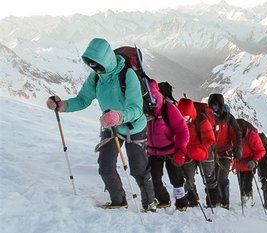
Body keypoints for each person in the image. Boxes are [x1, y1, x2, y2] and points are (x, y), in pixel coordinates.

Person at [45, 38, 157, 211]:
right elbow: (83, 99)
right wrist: (62, 106)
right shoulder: (96, 77)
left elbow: (136, 108)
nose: (95, 68)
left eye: (97, 64)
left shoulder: (127, 75)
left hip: (133, 127)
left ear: (106, 60)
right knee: (105, 166)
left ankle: (149, 203)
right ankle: (118, 200)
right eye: (91, 64)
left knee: (138, 169)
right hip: (109, 126)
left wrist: (119, 117)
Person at [146, 81, 190, 211]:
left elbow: (182, 130)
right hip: (153, 151)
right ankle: (163, 200)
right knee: (154, 179)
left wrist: (181, 150)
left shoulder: (169, 109)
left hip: (171, 150)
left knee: (176, 179)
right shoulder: (146, 110)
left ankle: (181, 203)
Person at [176, 98, 219, 208]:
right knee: (188, 177)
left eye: (185, 117)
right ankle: (193, 201)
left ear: (191, 114)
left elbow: (210, 138)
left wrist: (202, 149)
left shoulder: (202, 120)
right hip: (188, 153)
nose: (183, 120)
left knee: (209, 174)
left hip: (204, 150)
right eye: (181, 117)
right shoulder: (178, 122)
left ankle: (213, 202)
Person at [208, 93, 242, 209]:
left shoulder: (228, 118)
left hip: (225, 152)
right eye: (213, 105)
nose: (214, 108)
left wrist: (237, 148)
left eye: (216, 105)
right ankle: (214, 201)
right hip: (211, 152)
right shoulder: (208, 117)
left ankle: (224, 202)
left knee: (222, 178)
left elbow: (236, 133)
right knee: (212, 177)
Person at [233, 119, 265, 206]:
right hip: (239, 163)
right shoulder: (234, 134)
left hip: (250, 163)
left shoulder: (252, 136)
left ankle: (247, 200)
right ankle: (245, 200)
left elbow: (261, 150)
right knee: (241, 182)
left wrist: (254, 160)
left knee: (247, 183)